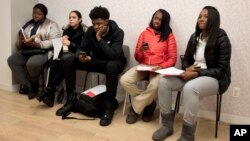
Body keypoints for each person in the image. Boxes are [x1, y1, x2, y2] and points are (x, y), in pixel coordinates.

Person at [152, 6, 231, 141]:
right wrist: (186, 68)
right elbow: (187, 58)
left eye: (205, 16)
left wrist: (197, 73)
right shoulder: (194, 37)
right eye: (200, 16)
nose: (201, 18)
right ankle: (167, 126)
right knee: (164, 82)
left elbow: (221, 70)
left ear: (213, 19)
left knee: (190, 87)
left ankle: (188, 135)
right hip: (193, 73)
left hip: (215, 78)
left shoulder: (222, 39)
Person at [56, 6, 126, 126]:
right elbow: (81, 48)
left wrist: (99, 38)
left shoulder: (118, 32)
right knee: (70, 59)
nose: (96, 27)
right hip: (96, 61)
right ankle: (71, 100)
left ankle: (109, 107)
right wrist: (81, 56)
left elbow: (113, 55)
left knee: (111, 66)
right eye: (94, 24)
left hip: (114, 62)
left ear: (107, 21)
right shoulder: (90, 31)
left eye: (99, 23)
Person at [120, 9, 177, 124]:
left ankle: (135, 109)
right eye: (155, 18)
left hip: (159, 69)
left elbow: (173, 58)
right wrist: (141, 50)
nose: (156, 21)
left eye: (160, 19)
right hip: (144, 66)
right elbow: (138, 57)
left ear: (164, 22)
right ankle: (150, 103)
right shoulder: (144, 34)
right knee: (124, 80)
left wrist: (161, 66)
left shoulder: (169, 36)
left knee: (155, 85)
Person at [7, 3, 61, 99]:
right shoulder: (28, 25)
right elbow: (19, 44)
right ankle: (29, 86)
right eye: (34, 13)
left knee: (31, 63)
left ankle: (34, 82)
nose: (36, 15)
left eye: (39, 14)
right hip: (27, 50)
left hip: (43, 51)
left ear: (44, 14)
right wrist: (21, 42)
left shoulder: (52, 24)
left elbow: (54, 41)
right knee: (12, 60)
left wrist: (38, 44)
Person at [36, 10, 88, 107]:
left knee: (62, 64)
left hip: (78, 57)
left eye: (74, 17)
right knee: (55, 64)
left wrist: (70, 43)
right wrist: (63, 43)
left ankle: (49, 91)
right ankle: (50, 96)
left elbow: (83, 49)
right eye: (70, 17)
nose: (71, 19)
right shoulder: (67, 29)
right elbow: (65, 50)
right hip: (66, 55)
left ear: (80, 19)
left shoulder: (84, 31)